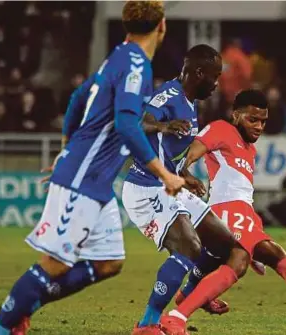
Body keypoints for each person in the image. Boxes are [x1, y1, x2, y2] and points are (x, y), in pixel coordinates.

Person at [0, 2, 186, 334]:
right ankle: (0, 327)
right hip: (83, 177)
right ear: (162, 25)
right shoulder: (136, 63)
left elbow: (79, 97)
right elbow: (126, 124)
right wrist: (164, 173)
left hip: (95, 180)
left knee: (108, 263)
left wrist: (69, 148)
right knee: (55, 263)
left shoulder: (119, 56)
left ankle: (24, 306)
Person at [160, 89, 286, 335]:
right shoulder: (221, 129)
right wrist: (186, 175)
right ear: (236, 115)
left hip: (244, 212)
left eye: (263, 121)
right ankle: (176, 317)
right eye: (253, 119)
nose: (259, 126)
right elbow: (187, 156)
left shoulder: (250, 149)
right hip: (226, 209)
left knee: (277, 258)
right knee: (240, 261)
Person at [122, 44, 236, 335]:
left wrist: (183, 173)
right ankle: (147, 324)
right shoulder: (169, 96)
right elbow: (138, 122)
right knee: (189, 246)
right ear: (199, 73)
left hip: (171, 185)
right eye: (215, 76)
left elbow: (166, 151)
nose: (216, 83)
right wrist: (164, 125)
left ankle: (189, 296)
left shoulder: (190, 100)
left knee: (224, 244)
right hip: (146, 189)